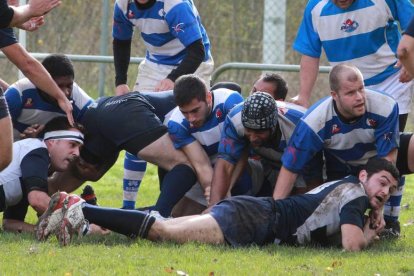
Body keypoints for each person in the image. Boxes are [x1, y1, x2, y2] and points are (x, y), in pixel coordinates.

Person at [37, 158, 398, 251]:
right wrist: (371, 234)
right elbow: (352, 246)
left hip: (251, 214)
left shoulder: (351, 190)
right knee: (163, 230)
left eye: (392, 189)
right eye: (382, 182)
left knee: (164, 225)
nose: (385, 191)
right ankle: (80, 209)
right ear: (364, 176)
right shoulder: (353, 196)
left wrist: (376, 209)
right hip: (252, 220)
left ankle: (79, 210)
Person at [274, 64, 401, 236]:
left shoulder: (385, 106)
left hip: (375, 162)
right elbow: (290, 168)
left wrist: (378, 206)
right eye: (350, 93)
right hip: (340, 168)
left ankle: (390, 220)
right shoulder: (314, 122)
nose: (359, 97)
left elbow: (387, 163)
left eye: (361, 89)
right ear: (334, 96)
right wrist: (274, 213)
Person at [48, 92, 197, 218]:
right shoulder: (202, 106)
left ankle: (82, 212)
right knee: (184, 166)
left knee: (85, 173)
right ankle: (158, 217)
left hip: (104, 107)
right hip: (125, 111)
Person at [293, 0, 414, 132]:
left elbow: (411, 23)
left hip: (392, 81)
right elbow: (310, 54)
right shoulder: (314, 8)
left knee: (392, 141)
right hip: (348, 89)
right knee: (356, 146)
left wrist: (409, 62)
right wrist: (303, 96)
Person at [208, 92, 322, 208]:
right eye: (248, 130)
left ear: (273, 125)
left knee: (300, 206)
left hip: (303, 163)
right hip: (267, 164)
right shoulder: (235, 119)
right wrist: (213, 207)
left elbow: (312, 179)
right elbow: (224, 165)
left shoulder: (300, 126)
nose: (252, 138)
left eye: (259, 132)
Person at [167, 74, 245, 215]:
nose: (191, 119)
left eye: (195, 110)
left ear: (208, 98)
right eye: (185, 113)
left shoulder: (230, 102)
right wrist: (212, 193)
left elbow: (243, 150)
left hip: (238, 158)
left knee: (244, 184)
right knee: (180, 213)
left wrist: (225, 189)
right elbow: (201, 165)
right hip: (210, 164)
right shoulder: (176, 124)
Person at [0, 116, 83, 233]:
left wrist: (41, 231)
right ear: (52, 141)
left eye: (79, 148)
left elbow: (10, 223)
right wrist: (82, 226)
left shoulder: (30, 165)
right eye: (72, 144)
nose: (77, 153)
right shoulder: (37, 150)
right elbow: (37, 200)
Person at [112, 0, 213, 95]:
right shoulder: (122, 4)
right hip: (156, 62)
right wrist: (120, 82)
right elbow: (121, 43)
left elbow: (197, 51)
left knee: (189, 108)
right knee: (137, 107)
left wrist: (173, 78)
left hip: (193, 62)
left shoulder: (175, 4)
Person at [4, 53, 93, 141]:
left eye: (69, 86)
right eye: (59, 86)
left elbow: (93, 128)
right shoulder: (18, 94)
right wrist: (23, 135)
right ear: (44, 81)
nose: (66, 92)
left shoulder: (80, 101)